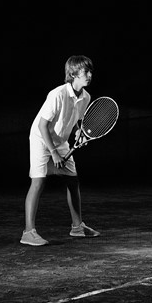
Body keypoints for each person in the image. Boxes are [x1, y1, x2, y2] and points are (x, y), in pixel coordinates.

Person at [20, 55, 100, 246]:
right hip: (41, 138)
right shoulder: (57, 94)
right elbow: (42, 126)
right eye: (85, 71)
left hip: (60, 140)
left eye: (90, 71)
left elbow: (75, 122)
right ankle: (28, 232)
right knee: (38, 182)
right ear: (73, 74)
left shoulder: (86, 97)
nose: (89, 75)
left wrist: (80, 132)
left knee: (73, 181)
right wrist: (54, 153)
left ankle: (77, 227)